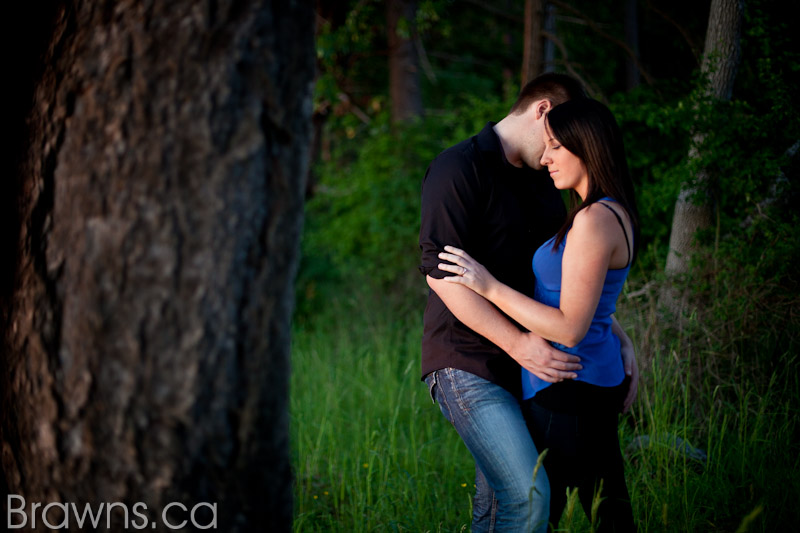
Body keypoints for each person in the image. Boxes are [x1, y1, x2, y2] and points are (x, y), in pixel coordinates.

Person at [418, 73, 638, 533]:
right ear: (542, 111)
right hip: (471, 358)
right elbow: (441, 275)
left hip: (536, 363)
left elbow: (564, 280)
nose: (558, 149)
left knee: (501, 505)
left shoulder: (545, 180)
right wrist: (519, 344)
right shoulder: (459, 167)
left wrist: (616, 333)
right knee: (528, 495)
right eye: (558, 135)